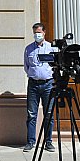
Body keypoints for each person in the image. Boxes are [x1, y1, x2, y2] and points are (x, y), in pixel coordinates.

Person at [23, 23, 56, 153]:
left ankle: (48, 142)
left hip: (48, 84)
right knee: (31, 114)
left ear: (44, 33)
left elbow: (55, 65)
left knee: (49, 114)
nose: (37, 35)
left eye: (39, 32)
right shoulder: (28, 49)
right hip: (33, 84)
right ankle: (31, 141)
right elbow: (26, 66)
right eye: (35, 32)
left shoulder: (51, 48)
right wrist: (34, 75)